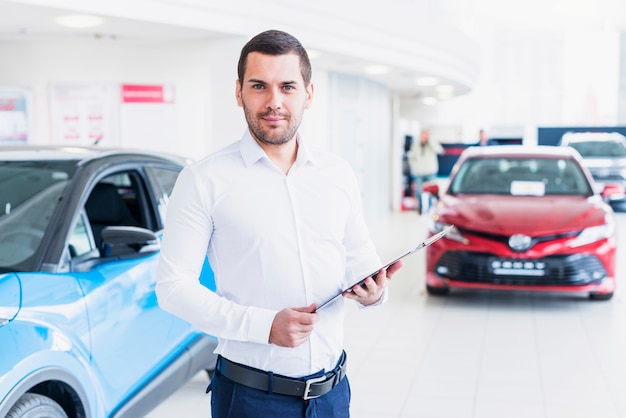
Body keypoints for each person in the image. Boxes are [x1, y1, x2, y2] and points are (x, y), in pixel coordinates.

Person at [155, 29, 403, 418]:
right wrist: (263, 325)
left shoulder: (336, 174)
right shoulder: (204, 179)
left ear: (308, 93)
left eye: (287, 86)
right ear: (239, 93)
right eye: (259, 86)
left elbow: (359, 257)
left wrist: (374, 291)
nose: (274, 102)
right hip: (251, 398)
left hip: (332, 394)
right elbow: (173, 288)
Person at [407, 129, 443, 214]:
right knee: (418, 191)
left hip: (431, 172)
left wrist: (430, 142)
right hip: (419, 173)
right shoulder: (415, 146)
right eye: (422, 136)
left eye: (425, 136)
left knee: (431, 193)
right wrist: (415, 167)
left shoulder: (432, 145)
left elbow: (440, 150)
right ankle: (420, 207)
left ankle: (430, 209)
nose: (424, 137)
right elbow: (411, 158)